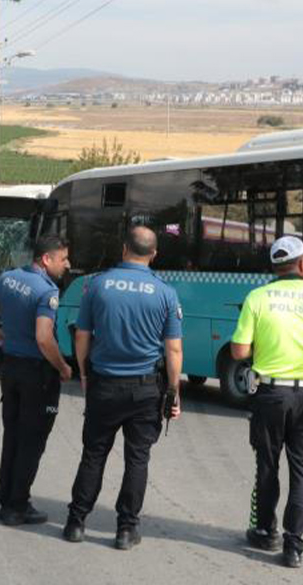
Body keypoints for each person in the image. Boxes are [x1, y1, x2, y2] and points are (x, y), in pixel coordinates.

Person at [229, 235, 303, 569]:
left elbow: (239, 352)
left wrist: (263, 347)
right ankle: (294, 545)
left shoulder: (257, 297)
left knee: (267, 464)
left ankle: (266, 530)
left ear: (276, 266)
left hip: (270, 394)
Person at [63, 226, 183, 550]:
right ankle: (126, 530)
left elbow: (81, 336)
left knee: (93, 454)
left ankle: (76, 522)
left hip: (103, 384)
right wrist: (174, 391)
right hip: (145, 390)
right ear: (154, 254)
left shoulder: (97, 285)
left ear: (124, 249)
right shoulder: (165, 293)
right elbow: (173, 350)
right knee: (137, 459)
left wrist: (85, 375)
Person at [0, 235, 73, 526]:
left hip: (10, 369)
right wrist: (63, 366)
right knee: (33, 439)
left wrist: (2, 338)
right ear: (46, 259)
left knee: (13, 434)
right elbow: (43, 337)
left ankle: (7, 498)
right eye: (63, 258)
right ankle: (17, 504)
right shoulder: (47, 291)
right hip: (36, 374)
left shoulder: (7, 278)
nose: (68, 264)